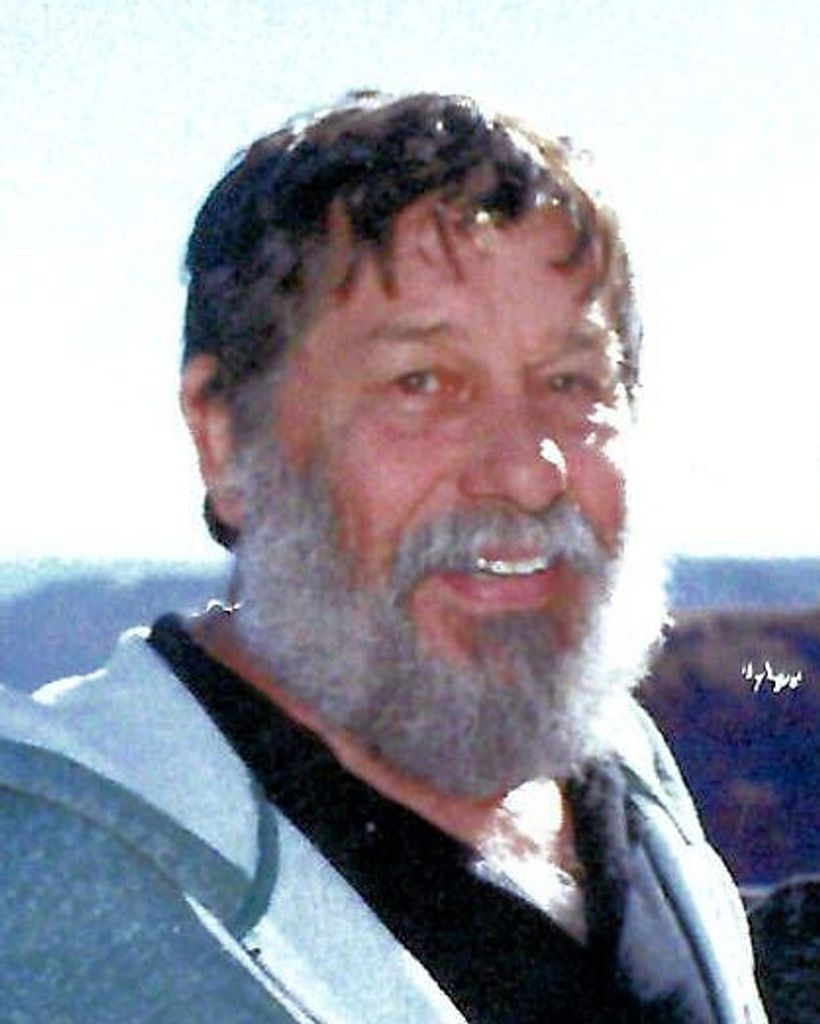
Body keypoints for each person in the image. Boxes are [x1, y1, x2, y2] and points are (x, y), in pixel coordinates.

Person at [0, 91, 767, 1023]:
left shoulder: (633, 793)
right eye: (424, 382)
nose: (529, 471)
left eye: (572, 382)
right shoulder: (45, 883)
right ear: (226, 438)